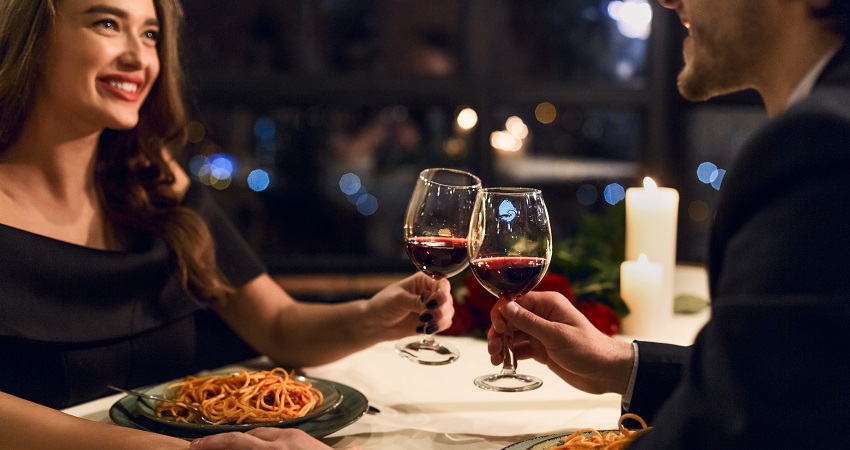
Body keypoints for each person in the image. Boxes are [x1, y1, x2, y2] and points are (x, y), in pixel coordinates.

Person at [0, 0, 453, 449]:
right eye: (107, 24)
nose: (139, 58)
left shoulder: (156, 183)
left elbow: (276, 324)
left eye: (150, 34)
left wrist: (374, 317)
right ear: (33, 36)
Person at [488, 0, 850, 448]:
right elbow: (802, 379)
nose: (667, 0)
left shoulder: (824, 142)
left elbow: (740, 433)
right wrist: (621, 364)